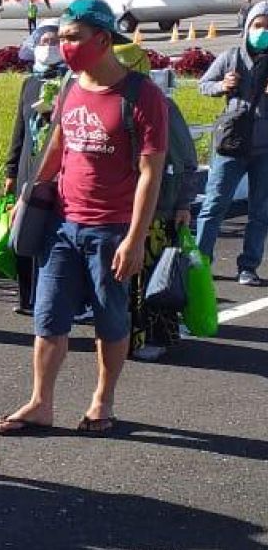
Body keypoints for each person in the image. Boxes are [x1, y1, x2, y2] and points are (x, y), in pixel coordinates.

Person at [0, 0, 167, 437]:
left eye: (73, 37)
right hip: (62, 226)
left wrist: (135, 238)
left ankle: (102, 399)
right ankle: (40, 403)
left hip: (111, 230)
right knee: (48, 318)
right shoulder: (71, 85)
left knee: (110, 321)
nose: (63, 45)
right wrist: (30, 196)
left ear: (103, 39)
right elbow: (59, 145)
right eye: (61, 37)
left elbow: (151, 173)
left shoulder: (142, 96)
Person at [113, 43, 198, 361]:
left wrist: (183, 204)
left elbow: (186, 160)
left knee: (156, 276)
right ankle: (132, 338)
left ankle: (159, 336)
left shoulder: (161, 105)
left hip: (159, 206)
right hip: (124, 205)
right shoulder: (114, 102)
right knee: (129, 278)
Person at [195, 0, 268, 287]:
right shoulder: (231, 56)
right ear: (248, 27)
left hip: (264, 149)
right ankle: (200, 263)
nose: (262, 31)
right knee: (214, 206)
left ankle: (248, 267)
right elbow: (203, 84)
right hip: (231, 145)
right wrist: (222, 86)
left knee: (260, 212)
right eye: (258, 25)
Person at [5, 23, 66, 314]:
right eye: (43, 41)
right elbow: (19, 129)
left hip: (55, 169)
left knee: (50, 234)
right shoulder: (29, 83)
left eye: (55, 41)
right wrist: (10, 170)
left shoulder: (70, 81)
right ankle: (25, 296)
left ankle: (50, 295)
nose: (49, 45)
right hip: (28, 168)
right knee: (23, 231)